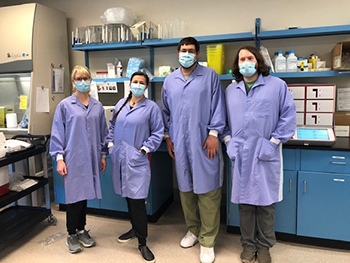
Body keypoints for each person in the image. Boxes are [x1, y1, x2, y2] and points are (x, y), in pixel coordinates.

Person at [224, 46, 296, 263]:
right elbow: (223, 121)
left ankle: (264, 247)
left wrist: (273, 142)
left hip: (266, 154)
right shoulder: (231, 90)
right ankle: (248, 245)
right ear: (237, 64)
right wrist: (228, 142)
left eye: (249, 57)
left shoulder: (277, 86)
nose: (245, 61)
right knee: (245, 205)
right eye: (241, 58)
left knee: (265, 205)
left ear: (258, 61)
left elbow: (288, 116)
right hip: (240, 155)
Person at [161, 37, 226, 263]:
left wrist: (214, 134)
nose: (185, 54)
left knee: (208, 190)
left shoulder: (210, 77)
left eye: (190, 50)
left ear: (198, 54)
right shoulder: (170, 80)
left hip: (204, 142)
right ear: (177, 53)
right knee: (186, 188)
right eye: (182, 50)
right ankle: (194, 230)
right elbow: (166, 112)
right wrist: (168, 137)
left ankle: (207, 241)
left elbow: (218, 107)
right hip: (179, 142)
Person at [106, 72, 164, 263]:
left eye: (141, 83)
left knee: (138, 199)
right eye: (135, 82)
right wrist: (110, 145)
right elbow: (112, 126)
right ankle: (134, 228)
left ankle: (142, 242)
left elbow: (158, 132)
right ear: (129, 84)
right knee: (128, 196)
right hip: (120, 158)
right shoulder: (121, 103)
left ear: (146, 87)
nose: (137, 85)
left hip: (137, 159)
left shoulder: (151, 108)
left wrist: (145, 148)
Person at [50, 65, 108, 253]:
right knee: (74, 197)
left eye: (86, 78)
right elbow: (58, 133)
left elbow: (103, 133)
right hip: (73, 157)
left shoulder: (97, 106)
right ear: (73, 82)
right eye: (79, 79)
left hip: (91, 157)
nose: (83, 82)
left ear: (91, 80)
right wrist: (59, 158)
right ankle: (71, 234)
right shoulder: (65, 105)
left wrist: (102, 155)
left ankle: (82, 229)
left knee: (84, 195)